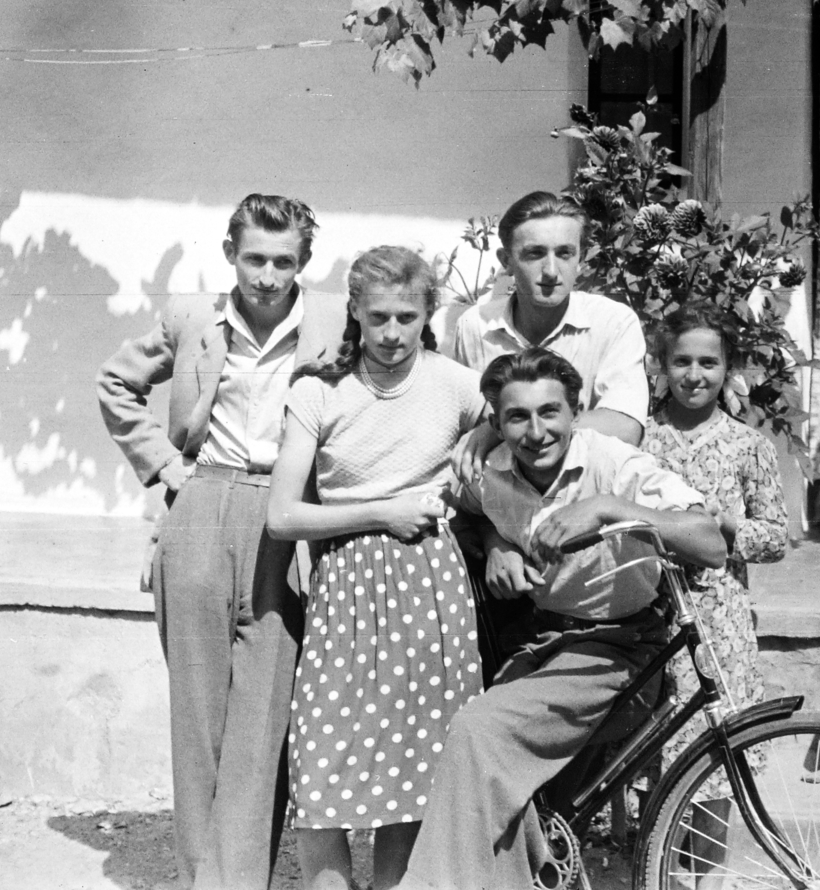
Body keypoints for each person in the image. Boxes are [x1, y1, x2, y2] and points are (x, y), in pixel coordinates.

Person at [397, 348, 725, 890]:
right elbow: (466, 514)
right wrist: (496, 542)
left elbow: (709, 544)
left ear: (576, 411)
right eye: (517, 417)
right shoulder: (491, 471)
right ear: (497, 423)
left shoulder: (613, 463)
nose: (536, 431)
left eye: (550, 412)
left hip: (620, 650)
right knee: (512, 793)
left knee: (480, 730)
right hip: (545, 645)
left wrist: (609, 508)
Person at [97, 194, 343, 890]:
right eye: (256, 258)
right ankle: (203, 877)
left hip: (286, 514)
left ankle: (236, 879)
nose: (268, 276)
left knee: (267, 714)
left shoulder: (334, 321)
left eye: (284, 261)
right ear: (231, 251)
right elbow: (116, 382)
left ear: (305, 262)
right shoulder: (192, 318)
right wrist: (165, 466)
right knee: (198, 708)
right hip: (202, 502)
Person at [265, 246, 485, 890]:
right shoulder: (318, 389)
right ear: (354, 312)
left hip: (429, 585)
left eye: (407, 318)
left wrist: (482, 434)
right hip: (344, 585)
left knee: (412, 762)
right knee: (322, 754)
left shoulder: (456, 384)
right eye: (379, 317)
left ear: (428, 315)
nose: (392, 335)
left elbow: (519, 426)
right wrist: (380, 513)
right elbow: (282, 516)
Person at [640, 303, 791, 878]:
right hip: (652, 611)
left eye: (708, 362)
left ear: (728, 368)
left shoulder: (746, 444)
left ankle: (710, 877)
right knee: (660, 749)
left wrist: (732, 526)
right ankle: (659, 874)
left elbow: (776, 537)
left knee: (720, 753)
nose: (694, 375)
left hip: (719, 621)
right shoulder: (643, 438)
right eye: (682, 361)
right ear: (662, 365)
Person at [449, 190, 649, 477]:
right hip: (500, 495)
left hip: (590, 488)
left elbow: (625, 427)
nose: (552, 271)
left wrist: (499, 432)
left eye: (565, 253)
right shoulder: (475, 326)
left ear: (580, 257)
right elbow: (464, 423)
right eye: (535, 253)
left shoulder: (613, 322)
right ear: (506, 260)